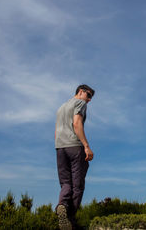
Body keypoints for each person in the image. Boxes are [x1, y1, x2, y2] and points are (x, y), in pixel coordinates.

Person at [55, 84, 95, 230]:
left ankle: (62, 206)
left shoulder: (61, 108)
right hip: (74, 147)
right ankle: (70, 219)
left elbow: (56, 132)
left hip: (59, 148)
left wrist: (59, 145)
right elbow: (77, 123)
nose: (89, 100)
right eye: (89, 95)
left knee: (65, 183)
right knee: (78, 186)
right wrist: (86, 146)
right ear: (81, 92)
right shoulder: (80, 103)